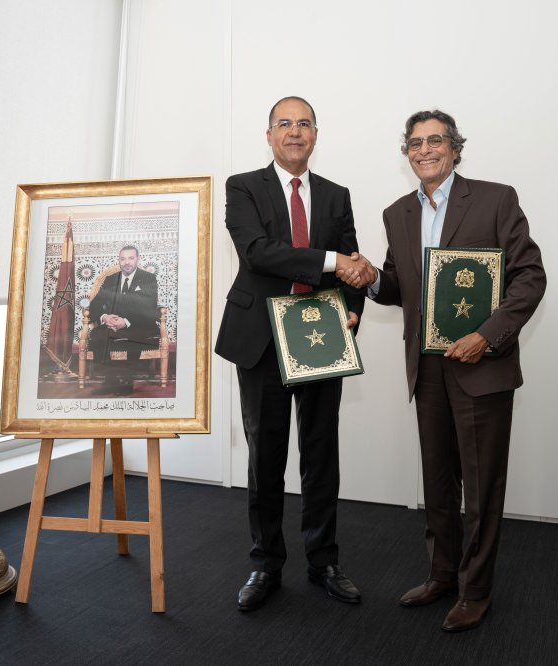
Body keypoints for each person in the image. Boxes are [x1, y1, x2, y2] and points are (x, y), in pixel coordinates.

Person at [341, 110, 545, 632]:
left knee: (480, 488)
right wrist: (366, 279)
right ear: (406, 153)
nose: (425, 150)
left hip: (482, 365)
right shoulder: (397, 213)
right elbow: (399, 286)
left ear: (455, 148)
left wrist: (487, 336)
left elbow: (529, 276)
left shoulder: (497, 198)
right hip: (426, 368)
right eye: (415, 143)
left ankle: (476, 591)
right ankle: (443, 575)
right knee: (437, 482)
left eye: (436, 140)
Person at [215, 96, 369, 612]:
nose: (295, 132)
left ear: (316, 135)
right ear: (269, 135)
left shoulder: (336, 195)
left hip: (320, 338)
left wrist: (351, 314)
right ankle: (265, 564)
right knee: (266, 455)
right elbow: (258, 253)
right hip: (260, 339)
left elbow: (351, 265)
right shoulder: (243, 187)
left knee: (322, 453)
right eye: (285, 123)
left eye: (304, 124)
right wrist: (329, 262)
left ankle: (324, 560)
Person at [88, 245, 159, 396]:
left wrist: (125, 321)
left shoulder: (148, 278)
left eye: (131, 258)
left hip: (138, 324)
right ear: (119, 261)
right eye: (123, 259)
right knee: (97, 335)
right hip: (111, 324)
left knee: (134, 336)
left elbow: (149, 307)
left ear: (138, 259)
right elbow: (94, 305)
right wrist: (105, 317)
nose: (127, 262)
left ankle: (127, 382)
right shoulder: (110, 280)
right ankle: (110, 381)